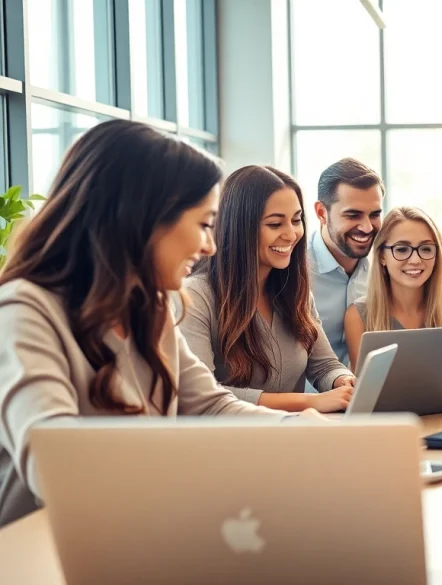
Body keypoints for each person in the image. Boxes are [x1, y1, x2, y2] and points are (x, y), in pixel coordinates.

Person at [0, 120, 299, 528]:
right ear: (143, 220)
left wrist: (303, 431)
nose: (210, 245)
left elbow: (211, 407)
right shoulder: (22, 310)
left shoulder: (150, 306)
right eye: (204, 224)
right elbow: (55, 466)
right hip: (43, 548)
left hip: (133, 531)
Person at [177, 165, 356, 412]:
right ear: (240, 227)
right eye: (275, 224)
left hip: (294, 437)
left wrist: (342, 380)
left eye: (296, 220)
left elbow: (324, 366)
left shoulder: (294, 291)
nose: (291, 234)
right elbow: (203, 396)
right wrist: (309, 402)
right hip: (232, 444)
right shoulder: (195, 295)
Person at [344, 206, 442, 373]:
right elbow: (363, 390)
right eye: (401, 249)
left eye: (426, 249)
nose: (415, 260)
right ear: (381, 256)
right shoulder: (357, 316)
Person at [308, 158, 384, 367]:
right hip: (310, 398)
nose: (367, 227)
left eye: (375, 214)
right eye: (353, 215)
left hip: (372, 396)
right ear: (322, 213)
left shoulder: (385, 269)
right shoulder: (291, 270)